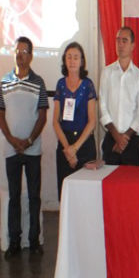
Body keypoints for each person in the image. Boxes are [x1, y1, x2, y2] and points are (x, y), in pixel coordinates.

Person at [0, 36, 48, 258]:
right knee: (14, 196)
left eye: (24, 52)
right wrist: (11, 139)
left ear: (31, 56)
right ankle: (14, 242)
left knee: (34, 196)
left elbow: (43, 116)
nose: (20, 55)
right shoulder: (5, 81)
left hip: (32, 149)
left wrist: (28, 141)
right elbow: (0, 114)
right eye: (17, 51)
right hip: (11, 149)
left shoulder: (39, 82)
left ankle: (34, 241)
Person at [52, 42, 97, 196]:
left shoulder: (88, 85)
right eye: (69, 57)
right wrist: (68, 150)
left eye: (76, 57)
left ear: (82, 61)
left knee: (85, 194)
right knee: (65, 193)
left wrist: (75, 148)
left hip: (84, 145)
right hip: (65, 144)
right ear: (64, 60)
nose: (72, 61)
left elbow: (92, 121)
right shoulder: (60, 84)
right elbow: (55, 121)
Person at [99, 26, 139, 166]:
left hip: (131, 142)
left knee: (132, 181)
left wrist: (124, 138)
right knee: (109, 180)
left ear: (133, 46)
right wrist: (117, 136)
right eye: (118, 40)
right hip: (111, 140)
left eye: (124, 41)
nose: (120, 44)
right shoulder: (107, 73)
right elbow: (102, 107)